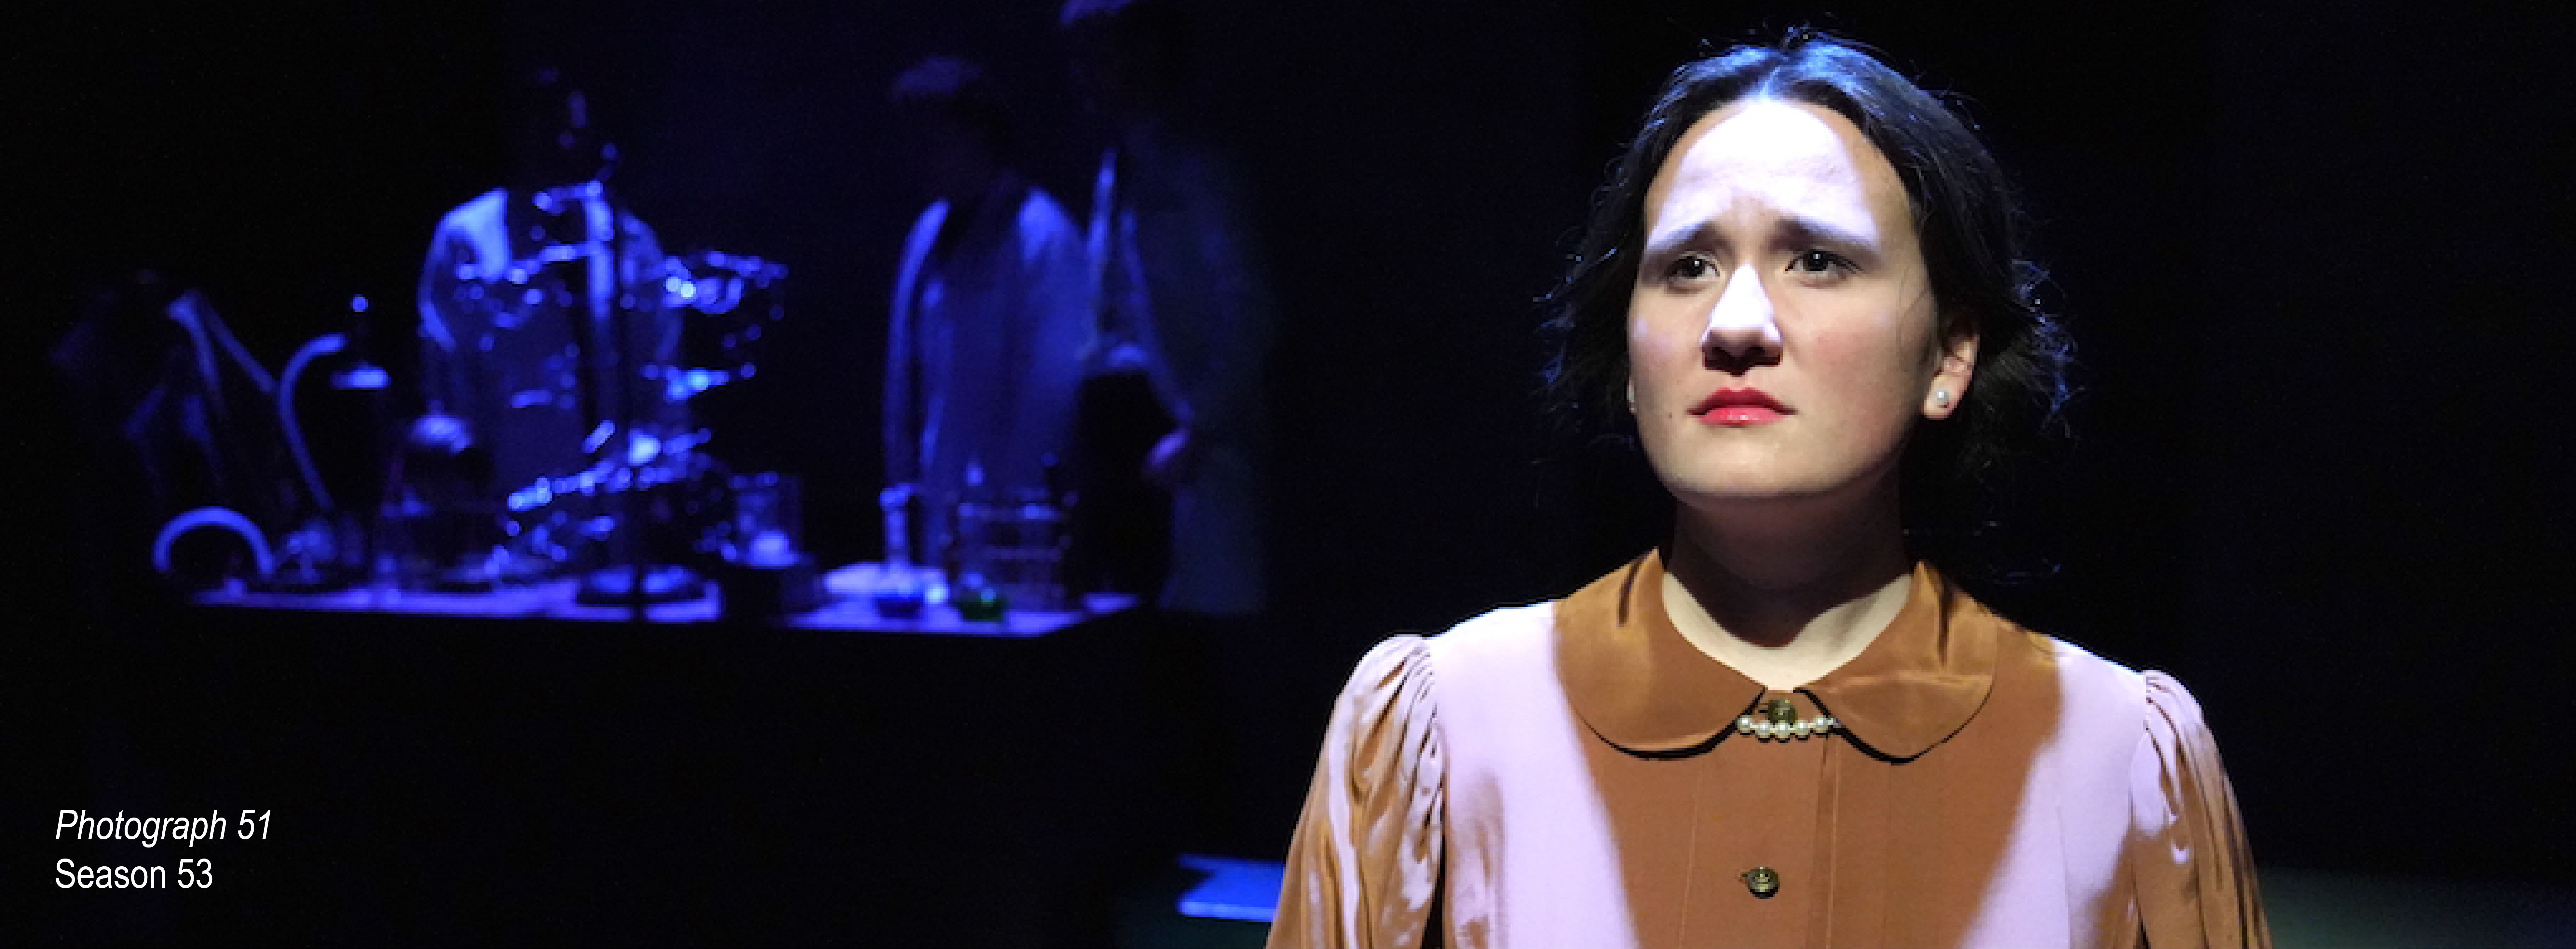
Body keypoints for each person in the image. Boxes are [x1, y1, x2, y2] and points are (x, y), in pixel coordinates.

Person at [1271, 33, 2267, 948]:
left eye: (1818, 261)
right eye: (1688, 266)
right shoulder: (1442, 730)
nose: (1735, 321)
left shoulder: (2114, 756)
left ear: (1949, 354)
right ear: (1627, 354)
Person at [414, 67, 677, 584]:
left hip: (623, 530)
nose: (560, 145)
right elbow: (447, 384)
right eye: (544, 129)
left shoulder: (628, 239)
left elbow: (664, 378)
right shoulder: (468, 239)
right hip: (513, 518)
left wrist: (661, 484)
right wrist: (470, 506)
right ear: (517, 136)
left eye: (572, 130)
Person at [1062, 0, 1275, 616]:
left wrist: (1199, 423)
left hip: (1181, 431)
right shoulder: (1118, 168)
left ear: (1142, 57)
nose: (1081, 78)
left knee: (1192, 638)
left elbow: (1253, 305)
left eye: (1095, 58)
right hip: (1125, 432)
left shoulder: (1196, 169)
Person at [880, 55, 1092, 563]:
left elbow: (1050, 397)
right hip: (938, 513)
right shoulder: (929, 232)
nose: (917, 156)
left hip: (1013, 525)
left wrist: (1008, 515)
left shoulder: (1043, 238)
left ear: (979, 135)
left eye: (932, 138)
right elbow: (907, 381)